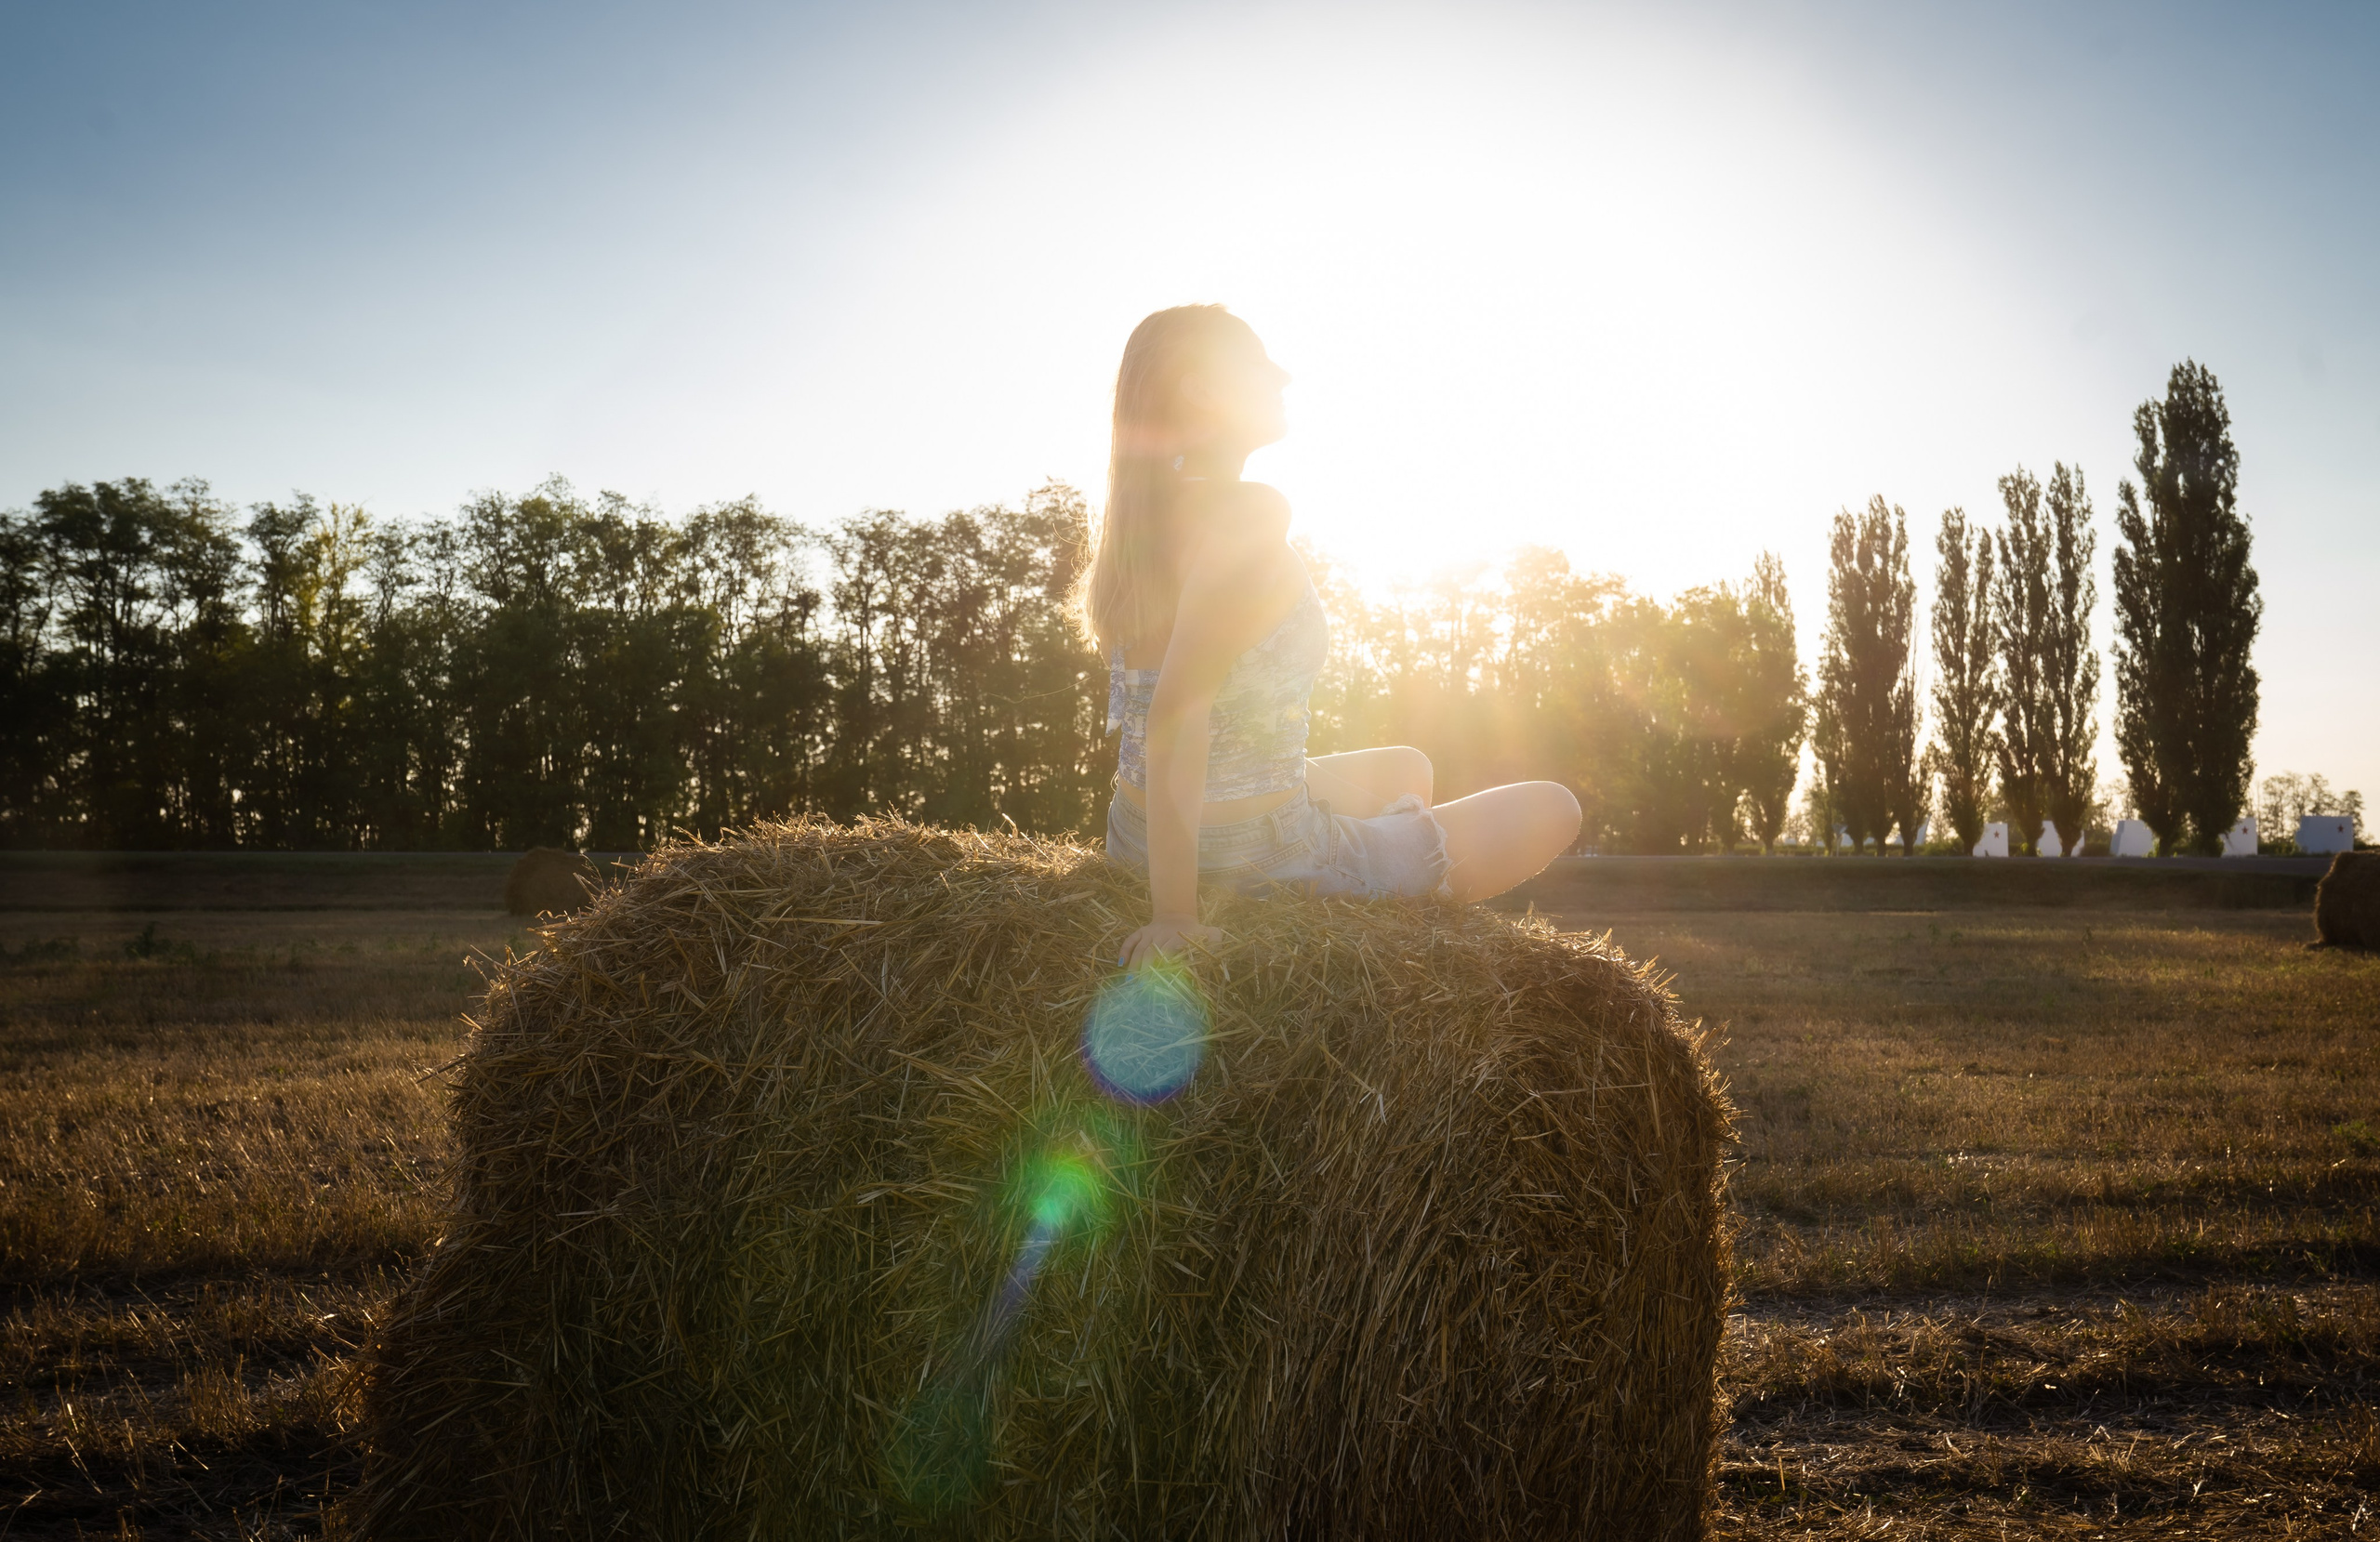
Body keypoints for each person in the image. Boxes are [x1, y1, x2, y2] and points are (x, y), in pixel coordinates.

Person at [1079, 304, 1582, 969]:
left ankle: (1378, 844)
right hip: (1258, 853)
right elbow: (1178, 709)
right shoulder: (1250, 514)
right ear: (1201, 387)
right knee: (1554, 807)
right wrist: (1175, 916)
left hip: (1133, 834)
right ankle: (1373, 889)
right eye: (1257, 362)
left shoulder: (1140, 522)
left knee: (1409, 766)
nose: (1281, 373)